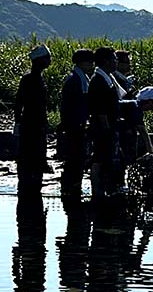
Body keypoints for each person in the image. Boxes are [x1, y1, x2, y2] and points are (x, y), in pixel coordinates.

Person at [13, 45, 51, 195]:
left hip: (34, 123)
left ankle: (31, 188)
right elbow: (20, 102)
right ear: (39, 60)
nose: (49, 60)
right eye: (47, 58)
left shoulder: (36, 77)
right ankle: (29, 189)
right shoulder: (30, 79)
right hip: (31, 124)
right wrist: (17, 123)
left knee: (33, 157)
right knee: (30, 157)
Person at [59, 49, 94, 196]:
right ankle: (70, 188)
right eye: (89, 61)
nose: (91, 65)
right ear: (81, 62)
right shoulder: (75, 80)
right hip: (74, 125)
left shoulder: (80, 78)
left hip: (76, 124)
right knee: (74, 157)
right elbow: (69, 106)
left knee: (76, 157)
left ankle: (72, 187)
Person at [88, 47, 121, 197]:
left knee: (106, 157)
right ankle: (97, 191)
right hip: (102, 127)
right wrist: (106, 127)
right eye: (114, 59)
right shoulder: (98, 80)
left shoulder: (107, 78)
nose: (116, 61)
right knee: (99, 158)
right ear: (106, 61)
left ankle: (105, 188)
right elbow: (100, 108)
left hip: (108, 126)